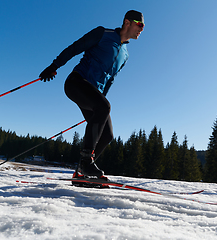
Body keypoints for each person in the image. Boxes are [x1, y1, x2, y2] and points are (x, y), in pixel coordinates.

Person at [39, 10, 144, 180]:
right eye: (140, 24)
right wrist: (54, 66)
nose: (142, 29)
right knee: (104, 107)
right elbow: (75, 47)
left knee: (107, 135)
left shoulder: (125, 55)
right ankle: (86, 162)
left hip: (93, 94)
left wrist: (100, 105)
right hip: (77, 82)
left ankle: (81, 171)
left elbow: (110, 80)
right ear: (127, 22)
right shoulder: (103, 34)